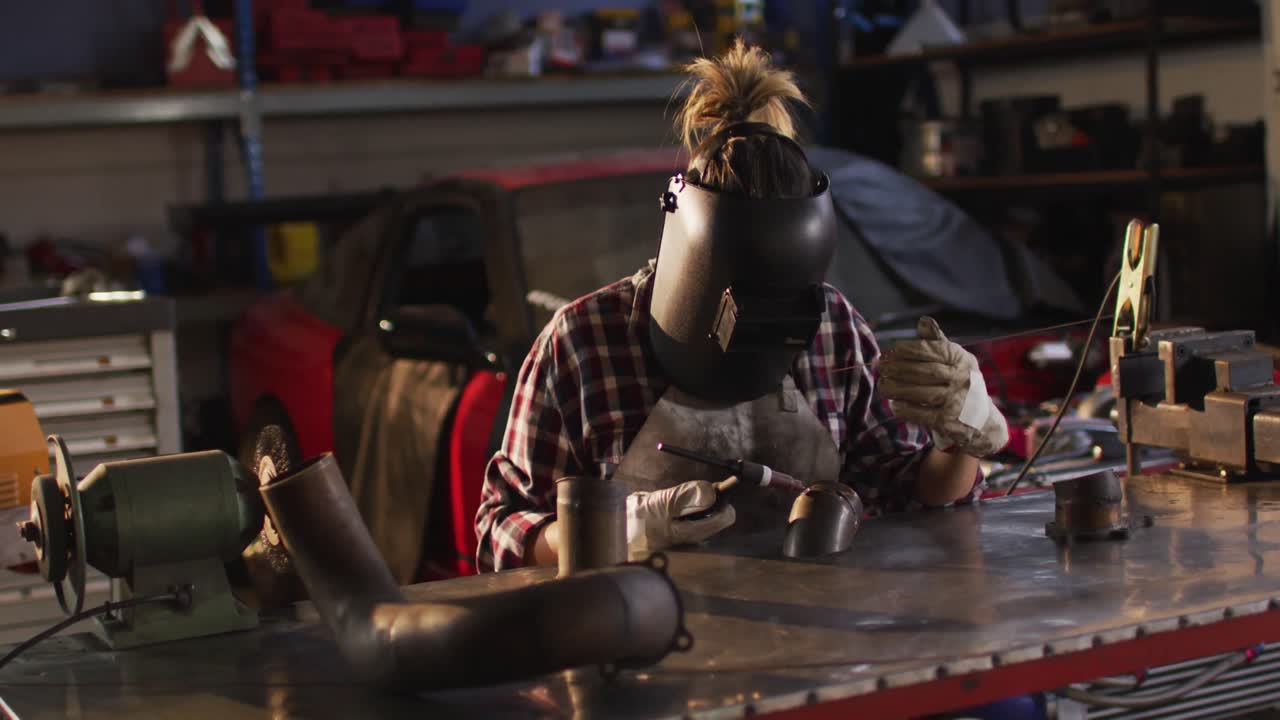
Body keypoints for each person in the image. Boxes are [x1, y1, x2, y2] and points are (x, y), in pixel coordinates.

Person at [475, 40, 1008, 572]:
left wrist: (961, 441)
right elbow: (501, 534)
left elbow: (909, 495)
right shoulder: (582, 343)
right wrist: (617, 532)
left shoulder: (835, 327)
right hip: (638, 620)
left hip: (821, 617)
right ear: (693, 255)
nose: (761, 324)